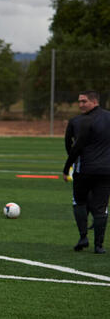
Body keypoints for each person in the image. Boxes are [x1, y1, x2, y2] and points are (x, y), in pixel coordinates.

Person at [63, 90, 110, 254]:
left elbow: (73, 147)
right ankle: (99, 246)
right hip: (106, 170)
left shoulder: (78, 121)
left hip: (84, 169)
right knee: (101, 207)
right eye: (79, 101)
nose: (81, 104)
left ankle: (83, 237)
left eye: (84, 101)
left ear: (94, 101)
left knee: (79, 202)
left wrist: (67, 166)